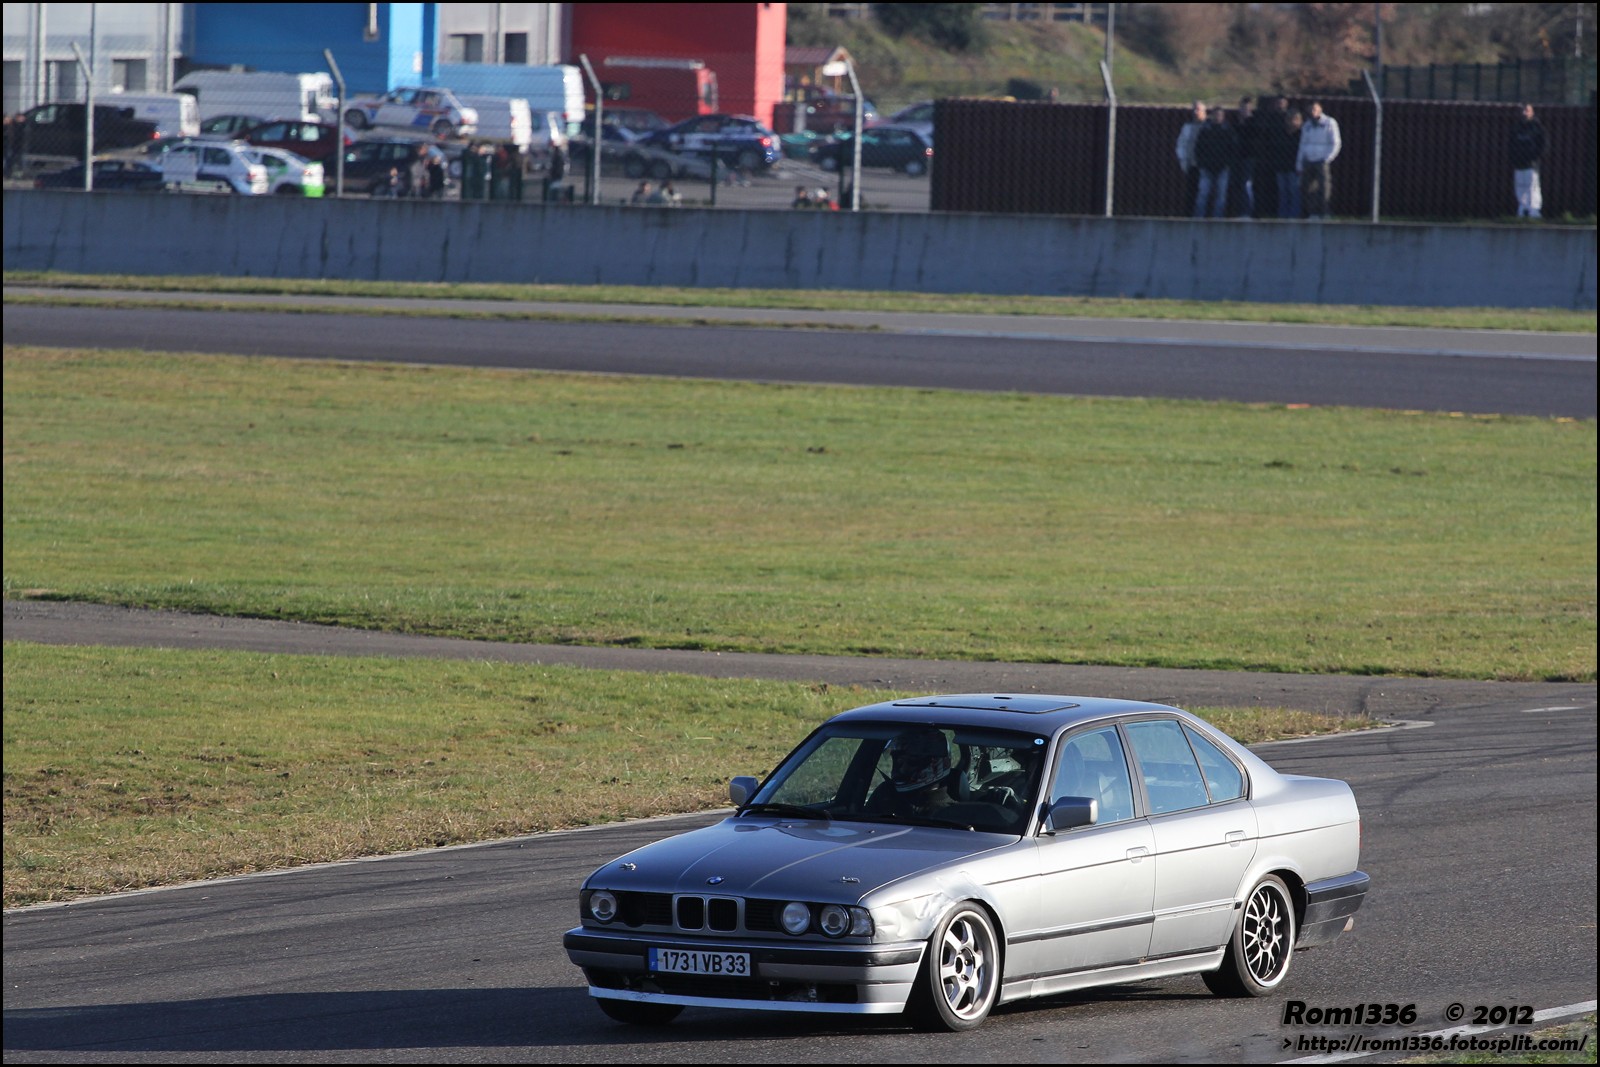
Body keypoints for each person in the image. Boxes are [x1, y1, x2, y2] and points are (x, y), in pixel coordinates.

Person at [867, 728, 955, 821]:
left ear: (934, 763)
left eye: (911, 761)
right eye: (897, 760)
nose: (901, 768)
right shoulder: (886, 794)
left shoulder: (952, 815)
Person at [1297, 101, 1340, 220]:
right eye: (1310, 109)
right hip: (1308, 160)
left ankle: (1324, 212)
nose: (1313, 112)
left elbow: (1336, 143)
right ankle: (1311, 213)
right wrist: (1299, 163)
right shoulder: (1307, 125)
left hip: (1322, 160)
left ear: (1320, 109)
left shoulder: (1329, 123)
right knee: (1307, 188)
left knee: (1324, 187)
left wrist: (1328, 158)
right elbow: (1302, 144)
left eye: (1315, 109)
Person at [1193, 105, 1237, 219]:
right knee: (1203, 194)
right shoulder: (1205, 130)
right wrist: (1201, 163)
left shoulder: (1228, 131)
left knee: (1221, 195)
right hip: (1206, 167)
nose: (1217, 117)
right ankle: (1199, 218)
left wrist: (1228, 164)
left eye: (1220, 115)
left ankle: (1218, 219)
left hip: (1223, 168)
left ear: (1223, 117)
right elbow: (1198, 148)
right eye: (1216, 115)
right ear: (1212, 116)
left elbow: (1233, 149)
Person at [1509, 103, 1545, 220]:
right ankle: (1522, 208)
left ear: (1532, 112)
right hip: (1519, 162)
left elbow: (1543, 144)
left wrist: (1535, 156)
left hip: (1531, 163)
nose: (1524, 113)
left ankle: (1534, 211)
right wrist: (1514, 157)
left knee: (1532, 186)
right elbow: (1511, 143)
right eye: (1523, 111)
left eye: (1527, 111)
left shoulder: (1537, 127)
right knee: (1520, 185)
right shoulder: (1516, 128)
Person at [1175, 101, 1206, 218]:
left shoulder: (1207, 127)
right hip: (1192, 164)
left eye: (1198, 110)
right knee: (1191, 191)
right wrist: (1183, 160)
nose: (1195, 112)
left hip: (1205, 165)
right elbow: (1181, 144)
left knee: (1204, 192)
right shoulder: (1188, 127)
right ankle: (1189, 216)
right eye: (1194, 110)